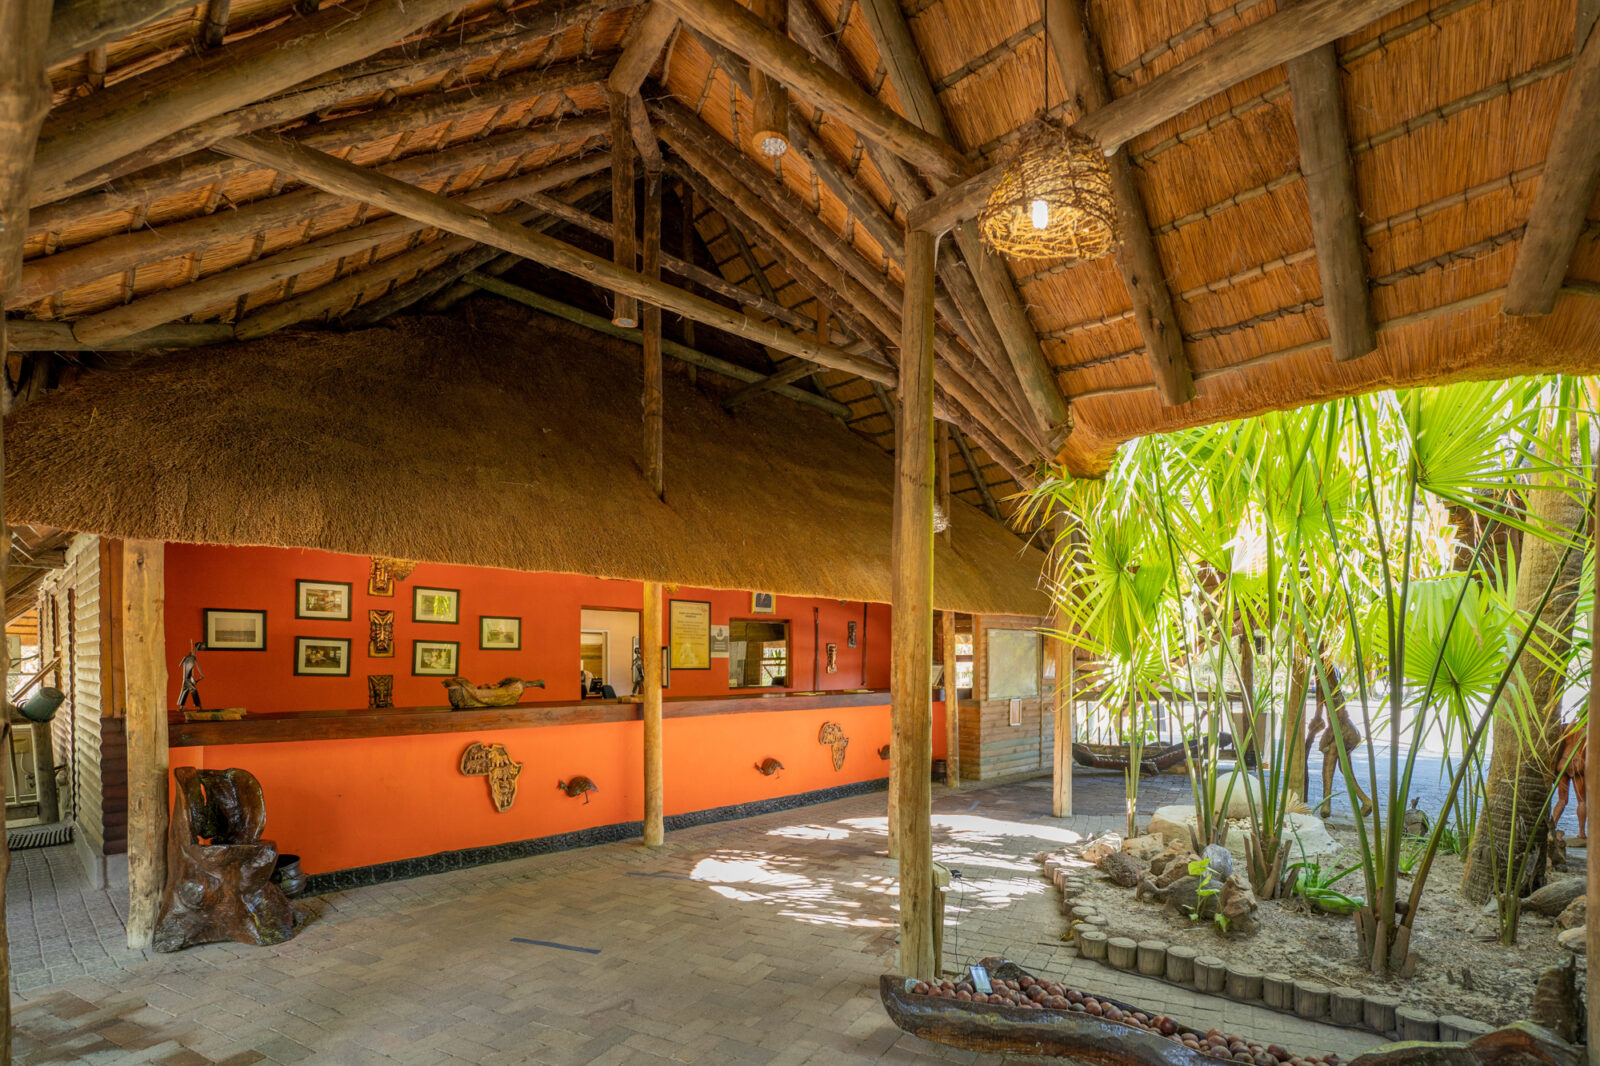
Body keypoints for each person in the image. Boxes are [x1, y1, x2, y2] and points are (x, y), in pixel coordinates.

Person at [1551, 722, 1586, 840]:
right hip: (1578, 764)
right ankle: (1581, 833)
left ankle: (1552, 827)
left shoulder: (1567, 727)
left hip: (1563, 762)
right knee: (1581, 801)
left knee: (1562, 799)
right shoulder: (1589, 730)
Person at [177, 640, 205, 709]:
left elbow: (180, 665)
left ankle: (181, 707)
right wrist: (201, 675)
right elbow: (198, 667)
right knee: (193, 690)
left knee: (185, 691)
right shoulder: (192, 658)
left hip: (186, 679)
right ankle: (198, 705)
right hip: (187, 679)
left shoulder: (186, 658)